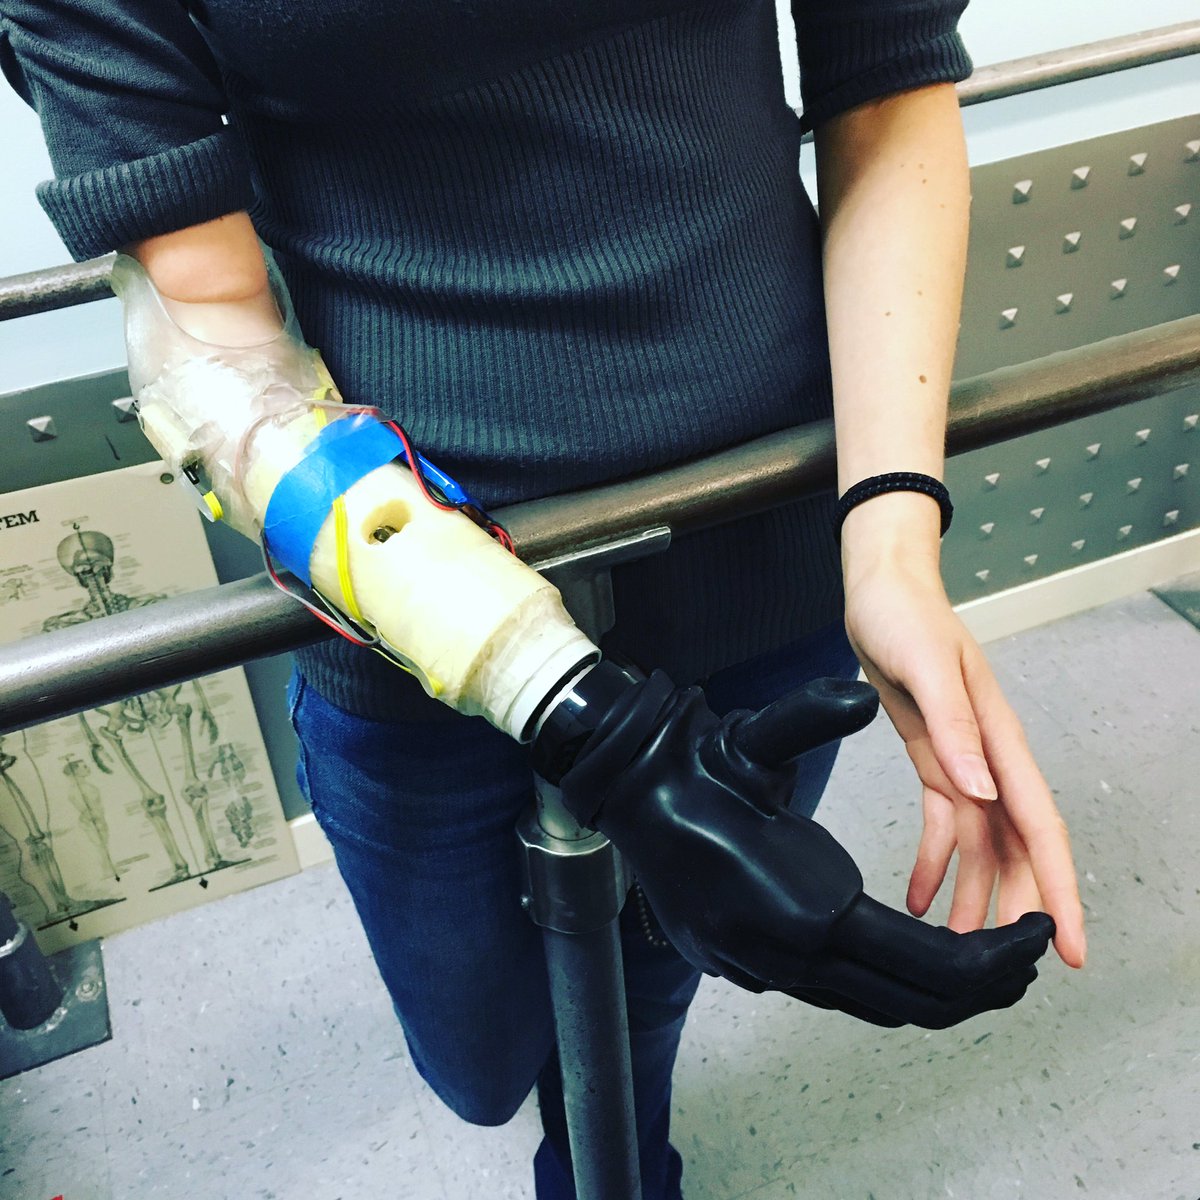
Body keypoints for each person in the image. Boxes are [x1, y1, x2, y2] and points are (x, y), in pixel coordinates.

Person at [1, 3, 1086, 1197]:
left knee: (649, 990)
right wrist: (578, 712)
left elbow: (883, 85)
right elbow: (207, 347)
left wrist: (891, 542)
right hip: (414, 628)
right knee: (480, 1060)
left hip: (760, 540)